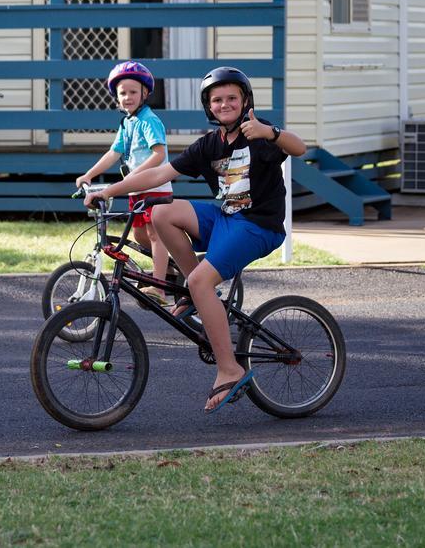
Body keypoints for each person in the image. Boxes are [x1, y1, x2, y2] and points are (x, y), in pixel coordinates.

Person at [84, 66, 307, 413]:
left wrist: (271, 131)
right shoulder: (209, 144)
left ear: (245, 100)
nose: (224, 104)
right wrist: (107, 190)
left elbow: (300, 147)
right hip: (227, 217)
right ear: (209, 106)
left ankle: (229, 368)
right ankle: (193, 288)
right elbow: (159, 173)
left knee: (204, 280)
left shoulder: (258, 135)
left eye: (232, 97)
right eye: (217, 99)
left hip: (259, 226)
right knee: (162, 213)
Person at [76, 61, 173, 305]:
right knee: (140, 233)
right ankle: (170, 268)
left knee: (154, 235)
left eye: (132, 92)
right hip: (136, 189)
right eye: (122, 93)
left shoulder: (148, 120)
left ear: (145, 93)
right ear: (116, 97)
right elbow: (113, 153)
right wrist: (89, 174)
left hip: (155, 188)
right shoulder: (127, 122)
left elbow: (159, 154)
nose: (127, 97)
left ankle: (159, 287)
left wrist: (134, 176)